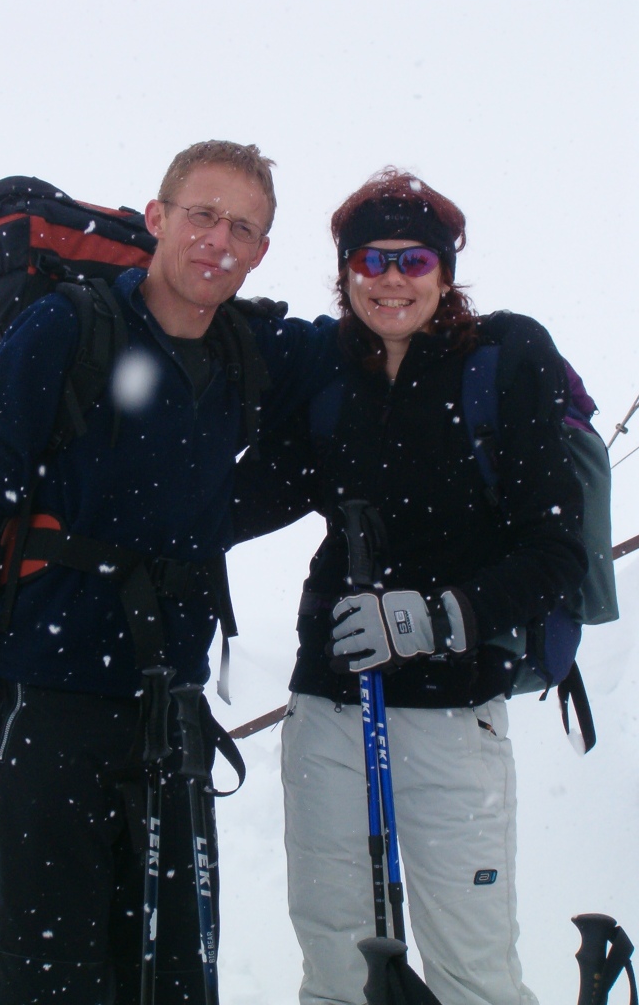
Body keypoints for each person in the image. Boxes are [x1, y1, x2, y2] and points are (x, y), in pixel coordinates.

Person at [0, 139, 338, 1005]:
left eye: (243, 228)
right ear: (157, 217)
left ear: (262, 250)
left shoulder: (249, 349)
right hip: (46, 707)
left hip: (169, 713)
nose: (218, 241)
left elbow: (374, 342)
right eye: (202, 215)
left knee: (170, 977)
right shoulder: (70, 328)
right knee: (37, 979)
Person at [232, 168, 587, 1005]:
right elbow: (233, 504)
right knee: (339, 967)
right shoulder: (328, 375)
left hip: (454, 716)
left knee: (471, 972)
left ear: (445, 271)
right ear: (346, 271)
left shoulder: (502, 362)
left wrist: (438, 617)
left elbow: (556, 551)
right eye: (372, 259)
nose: (392, 279)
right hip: (329, 704)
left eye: (415, 260)